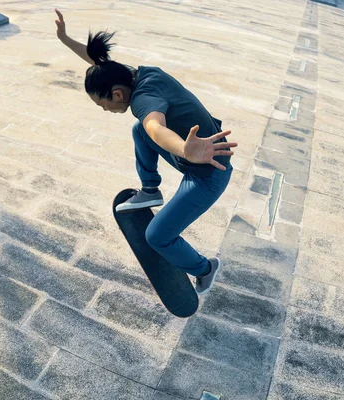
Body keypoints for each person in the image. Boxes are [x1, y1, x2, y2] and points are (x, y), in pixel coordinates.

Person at [54, 9, 238, 295]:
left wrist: (184, 149)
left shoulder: (142, 99)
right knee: (137, 130)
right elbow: (100, 63)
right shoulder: (137, 75)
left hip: (208, 173)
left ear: (117, 94)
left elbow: (156, 128)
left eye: (103, 105)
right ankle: (150, 189)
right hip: (198, 157)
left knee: (158, 236)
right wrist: (65, 39)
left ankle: (204, 268)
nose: (106, 110)